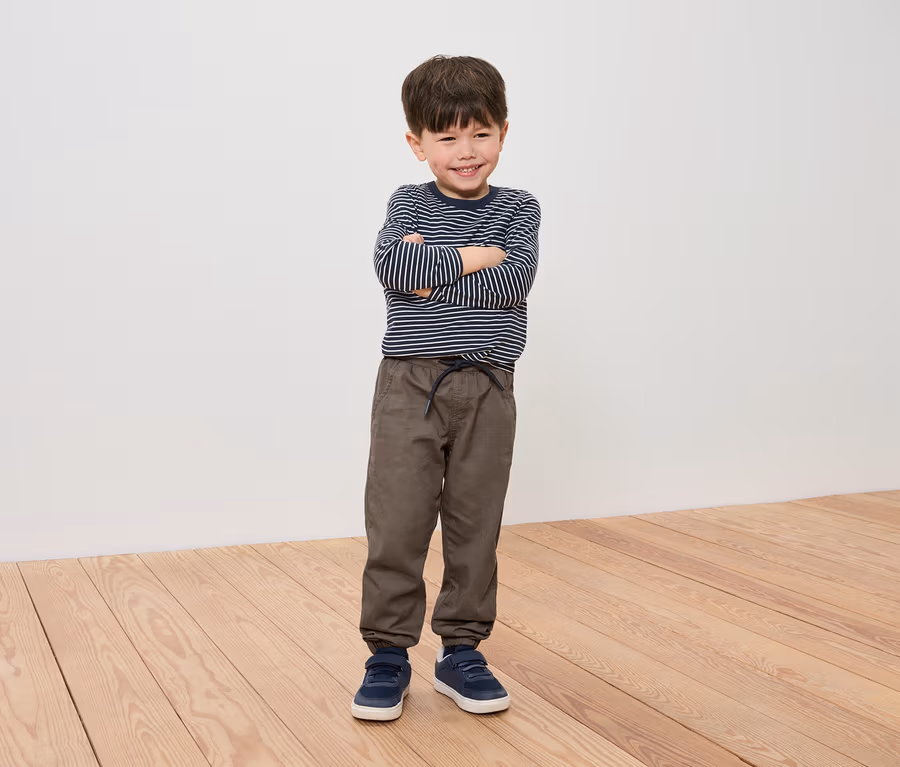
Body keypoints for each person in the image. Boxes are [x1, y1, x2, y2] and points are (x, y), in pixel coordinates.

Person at [352, 54, 542, 722]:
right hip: (409, 383)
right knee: (398, 520)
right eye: (448, 137)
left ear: (503, 133)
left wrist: (435, 272)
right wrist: (474, 257)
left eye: (481, 133)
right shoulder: (407, 202)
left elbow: (513, 282)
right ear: (418, 143)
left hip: (489, 386)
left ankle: (461, 650)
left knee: (474, 524)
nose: (467, 151)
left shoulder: (519, 209)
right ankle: (388, 654)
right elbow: (395, 267)